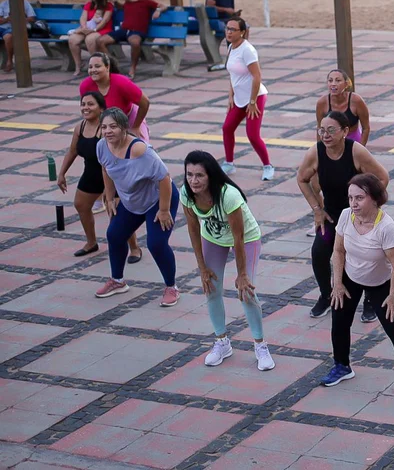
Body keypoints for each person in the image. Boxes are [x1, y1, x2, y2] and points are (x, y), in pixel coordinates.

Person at [319, 173, 394, 397]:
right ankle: (342, 366)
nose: (353, 203)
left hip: (381, 283)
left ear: (374, 199)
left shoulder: (386, 227)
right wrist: (336, 284)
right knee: (339, 322)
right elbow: (338, 251)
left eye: (359, 198)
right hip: (350, 277)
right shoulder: (346, 216)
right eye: (350, 198)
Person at [181, 150, 275, 372]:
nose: (193, 180)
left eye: (199, 175)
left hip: (246, 238)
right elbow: (193, 229)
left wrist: (242, 274)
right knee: (211, 288)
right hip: (212, 238)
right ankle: (222, 342)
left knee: (246, 292)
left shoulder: (229, 195)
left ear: (211, 176)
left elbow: (239, 238)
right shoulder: (186, 193)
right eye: (189, 174)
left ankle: (261, 345)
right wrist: (202, 267)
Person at [297, 111, 390, 319]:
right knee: (319, 251)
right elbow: (302, 178)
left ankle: (369, 300)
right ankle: (326, 295)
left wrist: (367, 205)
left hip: (360, 217)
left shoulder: (356, 152)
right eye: (322, 130)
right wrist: (316, 209)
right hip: (333, 216)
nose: (325, 135)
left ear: (345, 131)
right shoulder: (316, 152)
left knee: (365, 256)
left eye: (331, 130)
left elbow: (383, 178)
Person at [95, 108, 180, 306]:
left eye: (113, 126)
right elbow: (105, 169)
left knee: (156, 243)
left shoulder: (140, 150)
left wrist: (164, 209)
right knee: (114, 235)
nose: (108, 131)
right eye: (104, 127)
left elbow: (164, 178)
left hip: (158, 199)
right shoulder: (102, 146)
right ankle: (117, 281)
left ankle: (171, 287)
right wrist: (109, 197)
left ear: (124, 128)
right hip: (131, 200)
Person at [56, 92, 141, 260]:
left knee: (117, 214)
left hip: (113, 175)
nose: (86, 108)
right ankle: (91, 242)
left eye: (90, 104)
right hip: (91, 174)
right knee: (80, 204)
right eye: (83, 104)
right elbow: (72, 151)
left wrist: (108, 190)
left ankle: (134, 248)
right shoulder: (80, 127)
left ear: (101, 108)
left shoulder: (106, 130)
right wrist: (61, 173)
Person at [220, 17, 273, 181]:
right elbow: (233, 74)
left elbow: (257, 77)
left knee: (252, 135)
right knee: (227, 128)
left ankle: (268, 166)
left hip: (255, 97)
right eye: (227, 28)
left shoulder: (247, 50)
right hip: (239, 98)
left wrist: (252, 102)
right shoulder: (230, 48)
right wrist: (231, 95)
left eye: (233, 29)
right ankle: (229, 163)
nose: (229, 32)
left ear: (242, 32)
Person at [97, 0, 169, 78]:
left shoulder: (144, 2)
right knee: (100, 41)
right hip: (123, 30)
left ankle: (132, 68)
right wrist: (114, 3)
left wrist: (158, 11)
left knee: (135, 42)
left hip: (137, 31)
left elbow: (164, 6)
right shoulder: (127, 3)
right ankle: (113, 64)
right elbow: (123, 7)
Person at [79, 52, 151, 144]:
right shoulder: (85, 86)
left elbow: (145, 103)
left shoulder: (122, 83)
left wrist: (136, 126)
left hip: (129, 118)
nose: (93, 70)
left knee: (141, 149)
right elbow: (87, 110)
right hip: (105, 122)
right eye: (90, 67)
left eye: (97, 66)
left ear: (107, 67)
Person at [68, 0, 115, 76]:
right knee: (72, 39)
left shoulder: (108, 5)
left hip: (101, 29)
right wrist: (84, 27)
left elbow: (105, 20)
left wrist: (94, 30)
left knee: (90, 39)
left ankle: (97, 65)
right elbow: (83, 17)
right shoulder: (89, 4)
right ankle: (78, 65)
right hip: (88, 28)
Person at [315, 69, 369, 145]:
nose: (333, 84)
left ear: (346, 84)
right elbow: (320, 128)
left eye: (338, 80)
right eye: (330, 80)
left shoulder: (356, 101)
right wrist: (320, 149)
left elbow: (366, 128)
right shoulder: (322, 102)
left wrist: (361, 148)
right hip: (331, 143)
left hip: (353, 142)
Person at [0, 0, 36, 73]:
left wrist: (18, 19)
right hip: (2, 27)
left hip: (14, 28)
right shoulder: (4, 4)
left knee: (9, 37)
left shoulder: (24, 3)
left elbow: (32, 18)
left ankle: (9, 60)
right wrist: (7, 19)